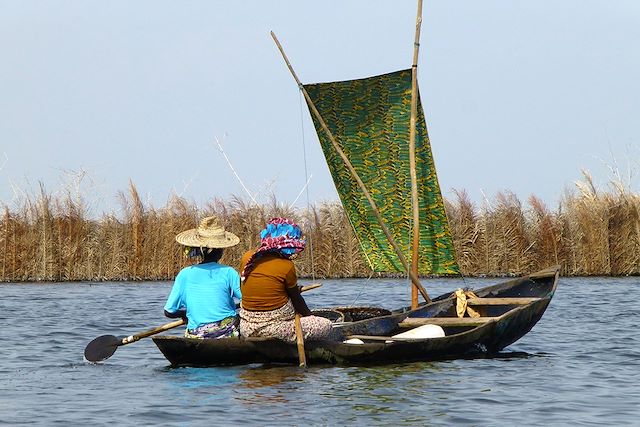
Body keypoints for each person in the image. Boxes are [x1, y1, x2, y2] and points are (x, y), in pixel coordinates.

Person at [238, 217, 332, 342]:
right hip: (273, 329)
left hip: (247, 328)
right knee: (326, 325)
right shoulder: (286, 266)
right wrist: (311, 317)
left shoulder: (248, 257)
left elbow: (251, 287)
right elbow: (297, 300)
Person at [164, 216, 242, 339]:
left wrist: (187, 314)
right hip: (227, 333)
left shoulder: (184, 274)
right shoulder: (229, 272)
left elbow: (169, 311)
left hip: (196, 334)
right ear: (221, 250)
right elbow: (247, 301)